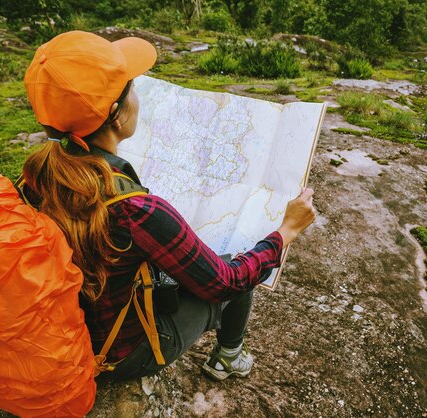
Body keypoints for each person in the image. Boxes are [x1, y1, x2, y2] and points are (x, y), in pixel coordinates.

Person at [21, 30, 316, 381]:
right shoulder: (135, 211)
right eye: (133, 86)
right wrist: (286, 231)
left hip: (60, 336)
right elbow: (225, 284)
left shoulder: (35, 175)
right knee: (242, 265)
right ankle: (227, 356)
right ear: (116, 114)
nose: (138, 94)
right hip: (115, 355)